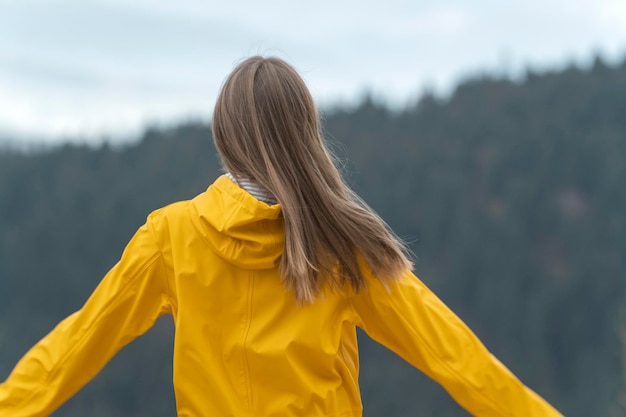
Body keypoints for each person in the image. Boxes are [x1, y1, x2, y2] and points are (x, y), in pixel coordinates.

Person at [0, 56, 563, 417]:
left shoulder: (171, 237)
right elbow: (458, 358)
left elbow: (77, 345)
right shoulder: (345, 252)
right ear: (305, 136)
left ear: (225, 136)